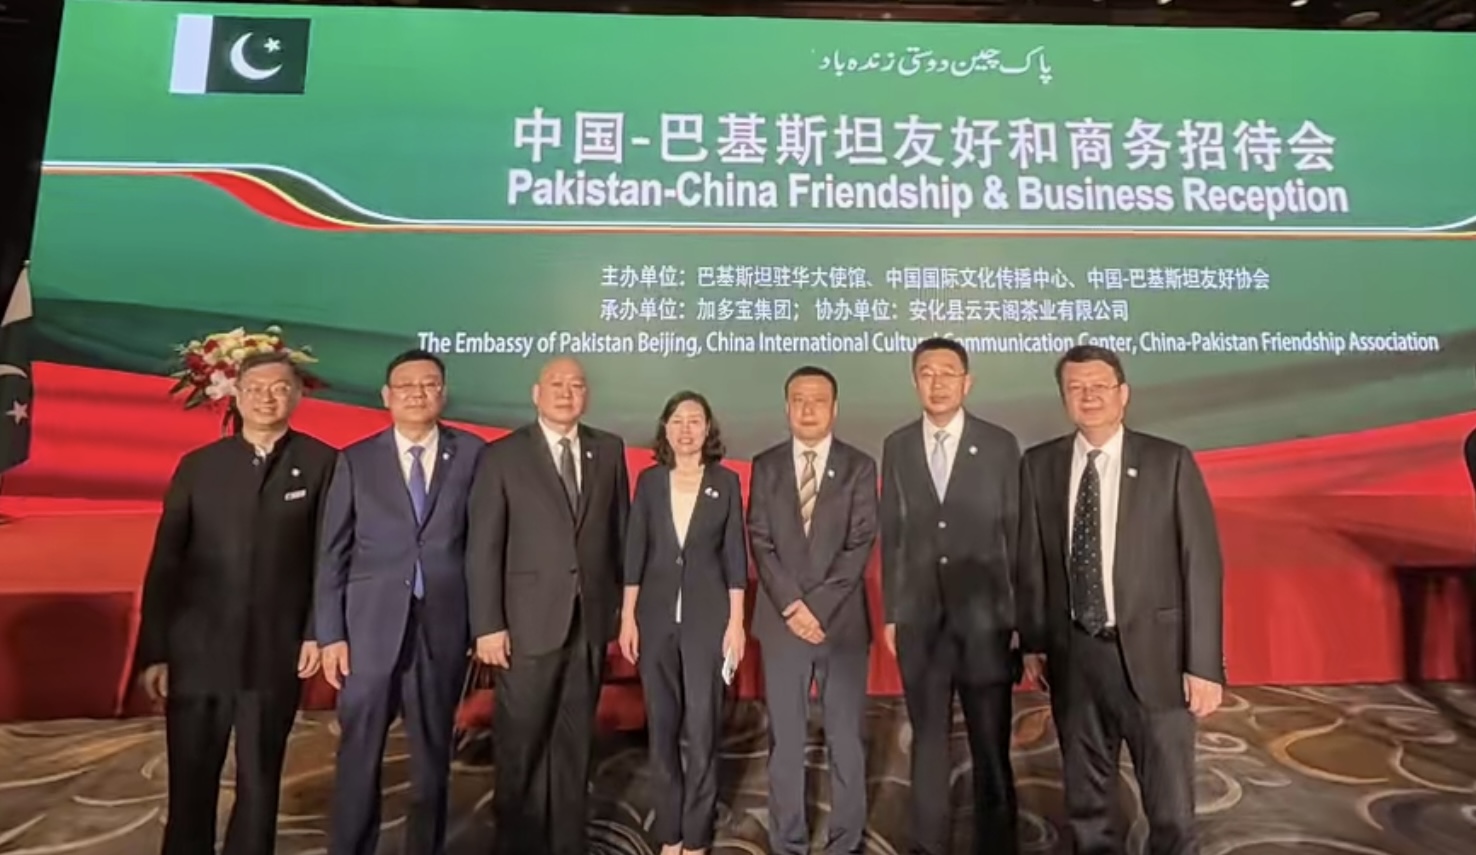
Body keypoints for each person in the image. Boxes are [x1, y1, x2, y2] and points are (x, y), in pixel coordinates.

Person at [1017, 344, 1225, 855]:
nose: (1088, 396)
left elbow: (1201, 565)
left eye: (1099, 386)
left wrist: (1204, 665)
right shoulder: (1040, 464)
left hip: (1157, 659)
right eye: (1075, 388)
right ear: (1063, 398)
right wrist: (1035, 642)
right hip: (1076, 657)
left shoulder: (1168, 461)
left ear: (1123, 394)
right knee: (1087, 805)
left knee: (1170, 810)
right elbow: (1033, 562)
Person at [134, 350, 336, 855]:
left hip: (275, 648)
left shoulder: (322, 463)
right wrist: (155, 651)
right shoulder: (200, 466)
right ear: (236, 396)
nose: (268, 398)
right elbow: (166, 564)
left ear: (297, 396)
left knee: (261, 776)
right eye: (256, 389)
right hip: (198, 648)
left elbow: (329, 558)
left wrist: (318, 630)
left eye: (280, 388)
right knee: (190, 774)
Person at [315, 349, 482, 855]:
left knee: (432, 758)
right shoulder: (355, 460)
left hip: (443, 625)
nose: (417, 393)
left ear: (443, 393)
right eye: (405, 386)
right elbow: (332, 553)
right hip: (368, 630)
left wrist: (483, 624)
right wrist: (330, 634)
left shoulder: (473, 454)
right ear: (386, 396)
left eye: (428, 384)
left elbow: (486, 544)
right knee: (359, 754)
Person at [466, 356, 631, 855]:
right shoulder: (502, 455)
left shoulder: (608, 450)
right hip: (524, 625)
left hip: (589, 622)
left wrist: (621, 611)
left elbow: (619, 536)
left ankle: (566, 844)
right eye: (556, 384)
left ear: (587, 396)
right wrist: (487, 625)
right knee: (521, 746)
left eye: (576, 385)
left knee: (574, 745)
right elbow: (483, 547)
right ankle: (517, 844)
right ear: (536, 394)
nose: (566, 392)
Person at [879, 337, 1024, 855]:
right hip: (921, 624)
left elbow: (1017, 533)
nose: (936, 383)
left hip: (987, 622)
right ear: (913, 381)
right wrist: (893, 612)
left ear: (968, 381)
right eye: (926, 373)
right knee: (928, 744)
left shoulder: (1000, 444)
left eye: (947, 372)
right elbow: (893, 533)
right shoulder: (897, 445)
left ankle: (998, 845)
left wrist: (1019, 618)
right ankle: (928, 845)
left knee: (990, 747)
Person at [747, 365, 878, 855]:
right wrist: (792, 606)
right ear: (786, 407)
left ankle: (846, 842)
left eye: (818, 400)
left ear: (834, 409)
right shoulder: (766, 466)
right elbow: (760, 539)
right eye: (798, 400)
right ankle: (788, 843)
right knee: (785, 741)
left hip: (841, 625)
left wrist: (816, 608)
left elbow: (860, 542)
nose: (808, 409)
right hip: (782, 626)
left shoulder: (859, 466)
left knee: (846, 740)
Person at [618, 390, 748, 855]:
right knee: (662, 726)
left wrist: (736, 623)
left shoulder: (725, 482)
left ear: (707, 428)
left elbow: (735, 556)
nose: (686, 429)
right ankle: (669, 832)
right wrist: (628, 617)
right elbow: (636, 549)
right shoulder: (650, 481)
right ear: (665, 429)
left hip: (708, 620)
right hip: (654, 619)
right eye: (677, 420)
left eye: (695, 420)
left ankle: (695, 835)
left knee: (703, 726)